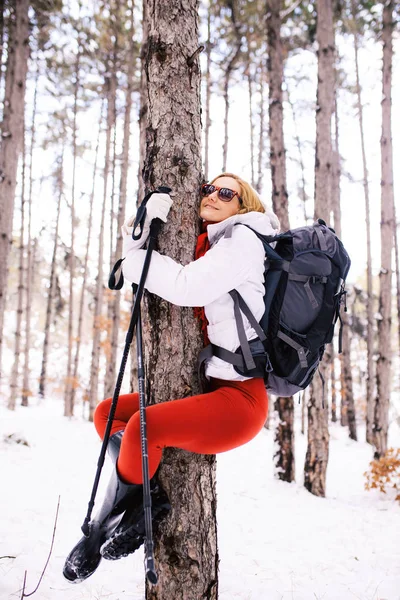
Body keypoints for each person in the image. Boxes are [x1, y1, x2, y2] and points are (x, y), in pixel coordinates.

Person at [63, 173, 280, 583]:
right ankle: (149, 498)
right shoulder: (212, 243)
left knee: (144, 428)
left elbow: (184, 285)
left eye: (226, 192)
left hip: (241, 403)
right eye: (208, 189)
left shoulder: (245, 242)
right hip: (215, 387)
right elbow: (149, 267)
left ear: (244, 205)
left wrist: (132, 260)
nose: (213, 195)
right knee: (109, 415)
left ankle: (101, 529)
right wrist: (139, 234)